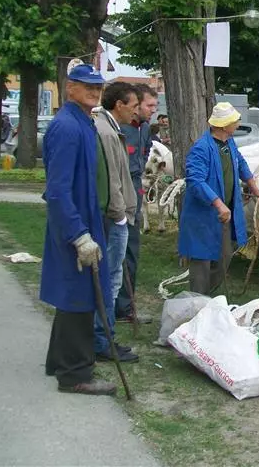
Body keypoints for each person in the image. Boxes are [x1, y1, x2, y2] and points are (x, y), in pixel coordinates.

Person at [41, 64, 116, 395]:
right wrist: (79, 235)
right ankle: (75, 375)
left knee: (76, 292)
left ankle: (59, 360)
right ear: (69, 87)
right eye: (86, 86)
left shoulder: (82, 122)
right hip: (74, 225)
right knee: (79, 297)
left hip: (85, 219)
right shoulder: (67, 127)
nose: (94, 91)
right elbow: (57, 190)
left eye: (98, 87)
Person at [178, 102, 259, 294]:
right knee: (202, 260)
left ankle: (206, 297)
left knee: (224, 257)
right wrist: (218, 204)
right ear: (224, 125)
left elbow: (241, 164)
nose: (238, 124)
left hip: (225, 213)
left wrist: (256, 190)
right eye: (235, 121)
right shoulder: (201, 148)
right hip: (204, 214)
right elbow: (195, 180)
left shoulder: (229, 142)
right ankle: (197, 302)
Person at [92, 82, 140, 363]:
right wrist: (120, 214)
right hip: (114, 218)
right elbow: (112, 178)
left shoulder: (108, 128)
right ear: (119, 105)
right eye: (133, 105)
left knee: (110, 279)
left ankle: (104, 336)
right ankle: (103, 340)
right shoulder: (107, 132)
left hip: (115, 215)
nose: (135, 111)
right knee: (109, 280)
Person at [116, 83, 158, 324]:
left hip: (134, 199)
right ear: (136, 105)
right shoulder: (119, 128)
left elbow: (141, 159)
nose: (153, 110)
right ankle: (117, 307)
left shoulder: (144, 129)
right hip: (119, 200)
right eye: (149, 105)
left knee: (131, 253)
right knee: (117, 253)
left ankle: (124, 307)